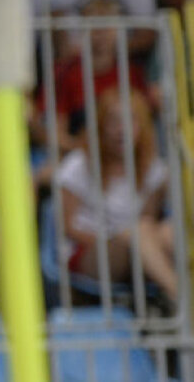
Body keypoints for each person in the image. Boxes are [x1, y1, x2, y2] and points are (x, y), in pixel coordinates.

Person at [58, 87, 178, 305]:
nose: (122, 130)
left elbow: (148, 220)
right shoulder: (78, 164)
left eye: (131, 120)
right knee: (139, 232)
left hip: (139, 251)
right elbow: (68, 227)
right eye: (114, 121)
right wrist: (118, 239)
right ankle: (182, 297)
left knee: (169, 231)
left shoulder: (154, 169)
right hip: (90, 254)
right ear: (100, 126)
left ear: (142, 127)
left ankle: (177, 298)